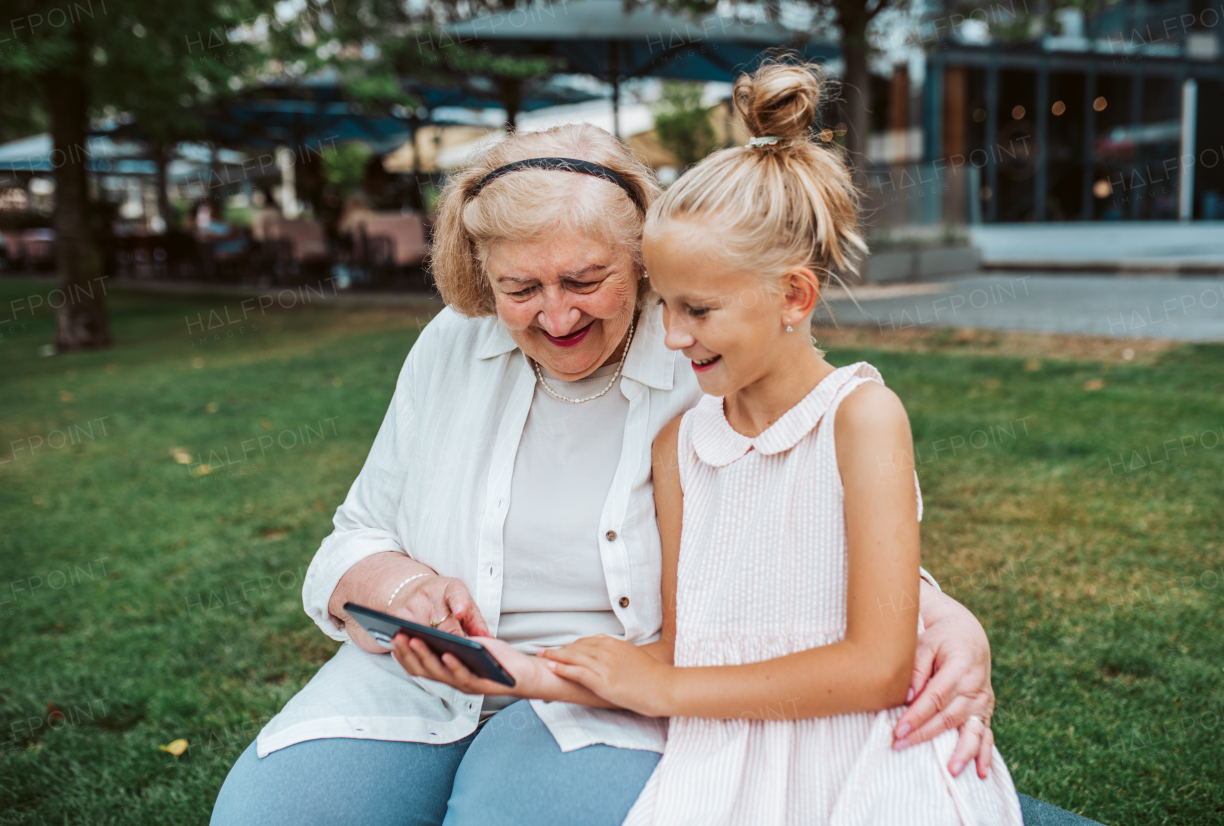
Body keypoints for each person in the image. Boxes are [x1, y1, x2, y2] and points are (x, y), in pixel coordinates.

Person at [210, 121, 1051, 826]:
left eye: (586, 279)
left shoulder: (704, 352)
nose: (556, 312)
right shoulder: (449, 348)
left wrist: (939, 613)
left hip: (608, 698)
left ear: (643, 258)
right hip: (418, 684)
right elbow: (356, 532)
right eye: (520, 287)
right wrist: (403, 592)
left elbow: (805, 499)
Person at [517, 61, 1023, 825]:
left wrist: (668, 692)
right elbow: (688, 650)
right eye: (664, 304)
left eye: (699, 309)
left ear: (794, 294)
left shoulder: (862, 418)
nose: (673, 334)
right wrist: (514, 671)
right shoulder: (679, 448)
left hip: (862, 763)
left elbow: (880, 669)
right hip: (725, 768)